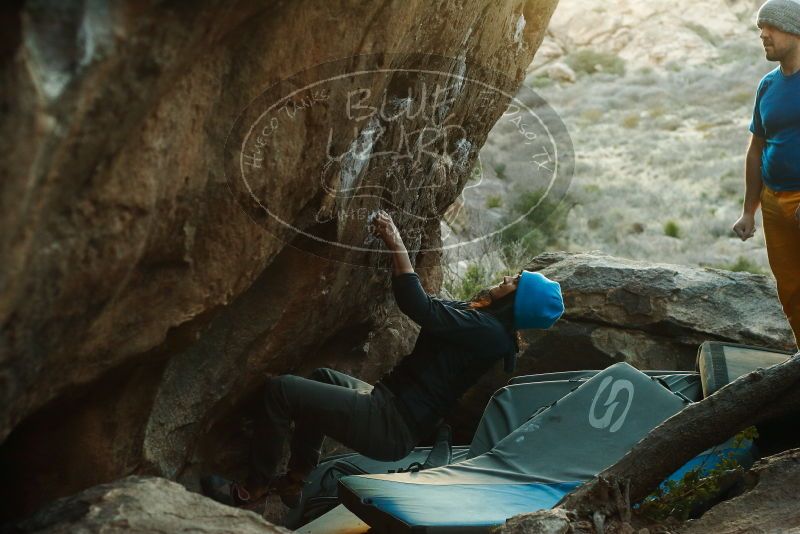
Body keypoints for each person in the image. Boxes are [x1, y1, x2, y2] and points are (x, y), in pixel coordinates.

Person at [201, 209, 565, 508]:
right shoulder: (484, 323)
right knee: (323, 379)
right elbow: (433, 305)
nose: (506, 277)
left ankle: (254, 490)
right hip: (387, 407)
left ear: (518, 303)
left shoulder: (485, 332)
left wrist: (396, 243)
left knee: (281, 391)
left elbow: (416, 305)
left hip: (390, 424)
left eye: (515, 280)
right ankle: (296, 479)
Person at [733, 0, 800, 348]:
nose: (763, 34)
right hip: (774, 201)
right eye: (761, 27)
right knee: (789, 287)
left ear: (795, 29)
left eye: (770, 26)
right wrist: (749, 210)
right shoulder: (768, 85)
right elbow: (756, 148)